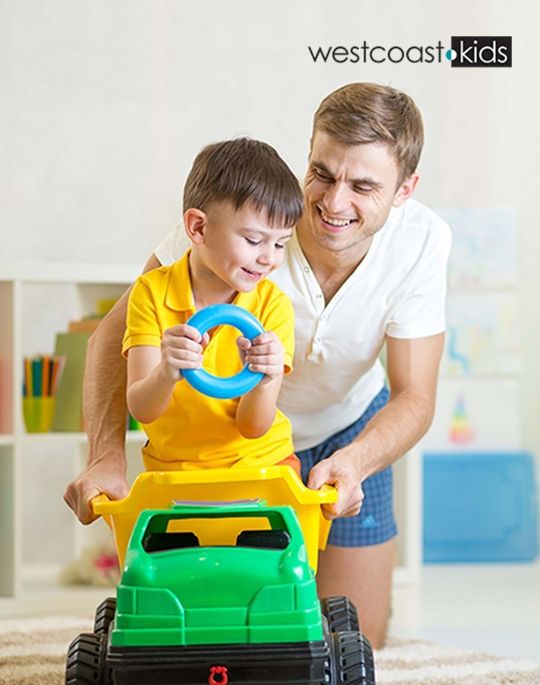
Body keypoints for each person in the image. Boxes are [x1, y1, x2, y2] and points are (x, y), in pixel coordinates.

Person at [64, 82, 451, 649]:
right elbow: (111, 338)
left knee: (361, 636)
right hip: (240, 440)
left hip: (350, 428)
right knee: (231, 619)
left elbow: (415, 395)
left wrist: (356, 462)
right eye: (322, 172)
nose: (333, 202)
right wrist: (103, 455)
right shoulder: (245, 221)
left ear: (405, 190)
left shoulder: (423, 243)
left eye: (364, 185)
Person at [122, 137, 302, 473]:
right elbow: (142, 409)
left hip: (260, 463)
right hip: (174, 470)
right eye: (253, 240)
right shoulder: (150, 291)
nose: (268, 258)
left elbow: (253, 427)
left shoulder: (273, 306)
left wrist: (266, 378)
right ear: (198, 227)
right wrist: (165, 372)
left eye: (280, 244)